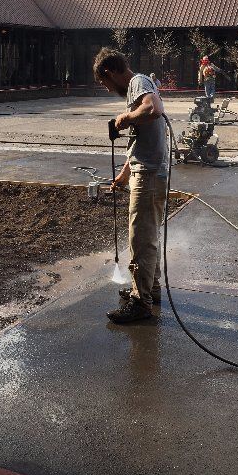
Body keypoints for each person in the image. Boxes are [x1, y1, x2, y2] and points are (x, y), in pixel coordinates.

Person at [93, 47, 168, 324]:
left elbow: (154, 109)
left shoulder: (138, 83)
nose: (106, 87)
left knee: (140, 238)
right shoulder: (137, 87)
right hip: (145, 170)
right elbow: (141, 139)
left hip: (149, 175)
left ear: (109, 72)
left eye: (104, 82)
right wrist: (124, 173)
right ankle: (151, 289)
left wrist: (123, 118)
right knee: (148, 235)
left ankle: (140, 302)